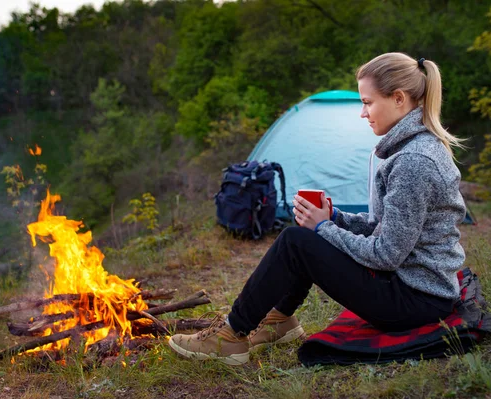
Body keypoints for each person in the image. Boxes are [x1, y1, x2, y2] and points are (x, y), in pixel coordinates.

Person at [168, 52, 467, 366]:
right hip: (415, 289)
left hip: (415, 300)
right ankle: (278, 322)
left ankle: (231, 335)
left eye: (367, 102)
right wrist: (335, 217)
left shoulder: (413, 161)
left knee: (297, 242)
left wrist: (323, 229)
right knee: (301, 238)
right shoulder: (409, 149)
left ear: (399, 99)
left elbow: (386, 254)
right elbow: (382, 225)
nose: (363, 114)